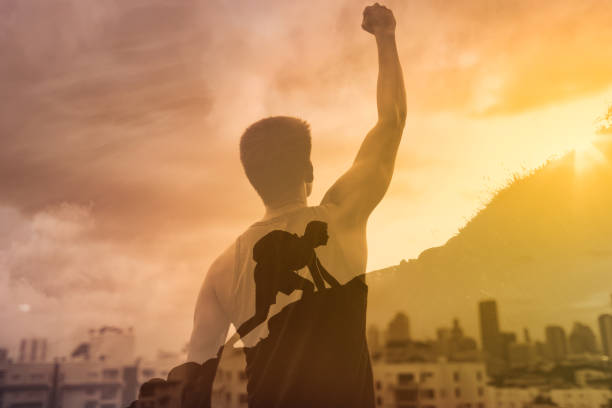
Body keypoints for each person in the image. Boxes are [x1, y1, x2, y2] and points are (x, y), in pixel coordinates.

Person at [178, 3, 405, 407]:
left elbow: (194, 385)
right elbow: (391, 121)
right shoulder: (341, 216)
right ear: (309, 170)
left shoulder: (220, 271)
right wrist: (385, 37)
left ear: (253, 180)